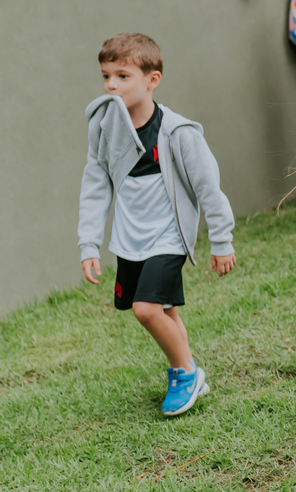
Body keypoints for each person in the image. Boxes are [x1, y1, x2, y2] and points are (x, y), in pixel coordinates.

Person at [78, 33, 236, 417]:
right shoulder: (104, 128)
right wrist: (88, 244)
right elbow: (95, 184)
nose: (111, 85)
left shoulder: (177, 132)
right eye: (106, 76)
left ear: (152, 80)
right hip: (130, 238)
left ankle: (186, 373)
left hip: (169, 236)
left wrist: (221, 239)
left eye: (122, 76)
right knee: (165, 311)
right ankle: (190, 366)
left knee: (146, 309)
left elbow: (207, 187)